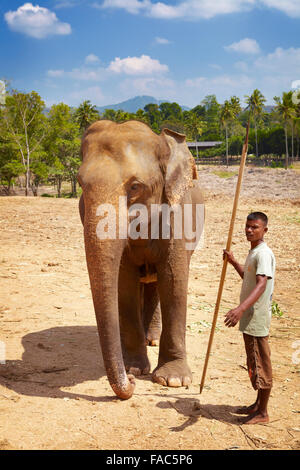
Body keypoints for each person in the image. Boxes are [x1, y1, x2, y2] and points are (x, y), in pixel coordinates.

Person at [223, 212, 276, 425]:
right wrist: (234, 261)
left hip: (256, 317)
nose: (249, 230)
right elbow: (249, 277)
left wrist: (240, 309)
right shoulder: (254, 251)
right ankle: (257, 405)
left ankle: (263, 413)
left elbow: (261, 284)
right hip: (251, 317)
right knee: (254, 360)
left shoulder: (263, 253)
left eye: (254, 227)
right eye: (247, 226)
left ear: (264, 230)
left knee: (260, 363)